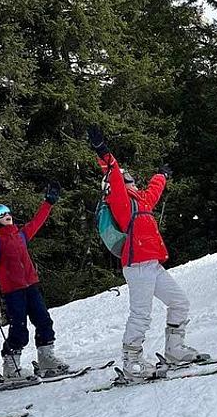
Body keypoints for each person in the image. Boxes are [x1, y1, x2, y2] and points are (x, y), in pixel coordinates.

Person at [87, 126, 205, 378]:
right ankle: (132, 362)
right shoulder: (119, 200)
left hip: (152, 264)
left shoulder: (140, 201)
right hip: (138, 266)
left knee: (179, 302)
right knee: (141, 315)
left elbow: (154, 191)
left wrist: (161, 175)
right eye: (127, 176)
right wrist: (102, 152)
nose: (131, 178)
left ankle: (174, 349)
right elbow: (112, 171)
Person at [0, 183, 69, 382]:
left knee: (44, 320)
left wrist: (48, 203)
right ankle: (11, 367)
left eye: (7, 211)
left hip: (31, 286)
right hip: (13, 291)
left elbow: (37, 221)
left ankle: (46, 358)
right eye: (1, 213)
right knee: (19, 328)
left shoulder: (20, 234)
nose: (7, 214)